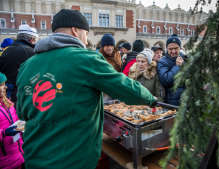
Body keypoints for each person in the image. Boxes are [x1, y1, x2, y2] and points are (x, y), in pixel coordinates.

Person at [16, 9, 156, 169]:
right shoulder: (85, 58)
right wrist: (152, 100)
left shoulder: (27, 65)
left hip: (34, 157)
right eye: (86, 33)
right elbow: (130, 91)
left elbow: (22, 112)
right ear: (76, 30)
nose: (86, 38)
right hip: (73, 160)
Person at [0, 24, 38, 103]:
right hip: (22, 94)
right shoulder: (30, 52)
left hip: (6, 92)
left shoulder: (7, 50)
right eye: (35, 39)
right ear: (31, 39)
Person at [0, 72, 24, 169]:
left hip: (20, 156)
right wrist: (4, 133)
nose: (5, 87)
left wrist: (24, 126)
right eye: (1, 85)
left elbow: (17, 122)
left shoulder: (8, 103)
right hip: (5, 162)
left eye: (4, 84)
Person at [157, 34, 185, 106]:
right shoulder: (162, 61)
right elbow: (166, 81)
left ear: (180, 48)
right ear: (166, 48)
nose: (173, 51)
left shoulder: (185, 58)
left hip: (186, 100)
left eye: (176, 48)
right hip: (172, 101)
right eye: (170, 49)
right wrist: (177, 66)